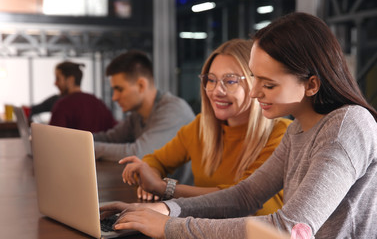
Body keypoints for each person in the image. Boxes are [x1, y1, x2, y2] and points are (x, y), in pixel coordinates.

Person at [100, 12, 377, 239]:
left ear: (312, 84)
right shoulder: (298, 130)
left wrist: (169, 227)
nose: (255, 93)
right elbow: (246, 195)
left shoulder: (347, 126)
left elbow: (290, 229)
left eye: (268, 84)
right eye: (254, 78)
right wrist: (165, 209)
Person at [118, 39, 291, 217]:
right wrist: (150, 179)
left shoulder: (283, 133)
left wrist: (163, 188)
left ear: (255, 83)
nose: (217, 91)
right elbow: (155, 160)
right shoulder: (201, 127)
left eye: (230, 81)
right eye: (211, 80)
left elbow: (240, 198)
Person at [93, 50, 195, 183]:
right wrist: (79, 141)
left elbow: (140, 153)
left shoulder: (173, 109)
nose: (114, 97)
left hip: (181, 200)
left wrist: (88, 149)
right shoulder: (137, 116)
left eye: (119, 89)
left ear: (141, 85)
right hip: (157, 195)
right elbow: (109, 139)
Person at [49, 61, 117, 133]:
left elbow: (54, 137)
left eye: (58, 79)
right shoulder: (97, 102)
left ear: (70, 80)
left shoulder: (62, 105)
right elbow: (114, 129)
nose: (55, 83)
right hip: (99, 144)